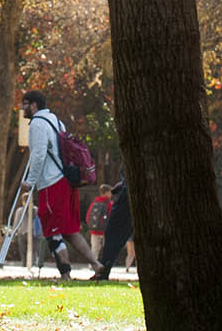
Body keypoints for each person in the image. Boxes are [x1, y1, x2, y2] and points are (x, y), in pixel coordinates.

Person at [19, 90, 104, 281]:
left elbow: (39, 155)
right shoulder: (56, 121)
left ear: (34, 105)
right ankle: (96, 264)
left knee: (53, 231)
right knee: (70, 230)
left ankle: (65, 274)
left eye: (25, 104)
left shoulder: (37, 125)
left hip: (51, 183)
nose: (22, 108)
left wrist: (30, 181)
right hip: (66, 181)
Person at [91, 176, 135, 281]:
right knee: (113, 239)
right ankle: (103, 270)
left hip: (123, 206)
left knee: (112, 239)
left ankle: (103, 271)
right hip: (125, 202)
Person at [86, 184, 114, 255]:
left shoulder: (95, 202)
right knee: (107, 250)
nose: (111, 194)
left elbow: (88, 216)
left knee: (94, 250)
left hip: (94, 230)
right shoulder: (109, 204)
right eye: (110, 192)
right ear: (107, 193)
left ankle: (92, 265)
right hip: (106, 231)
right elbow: (112, 217)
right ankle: (105, 264)